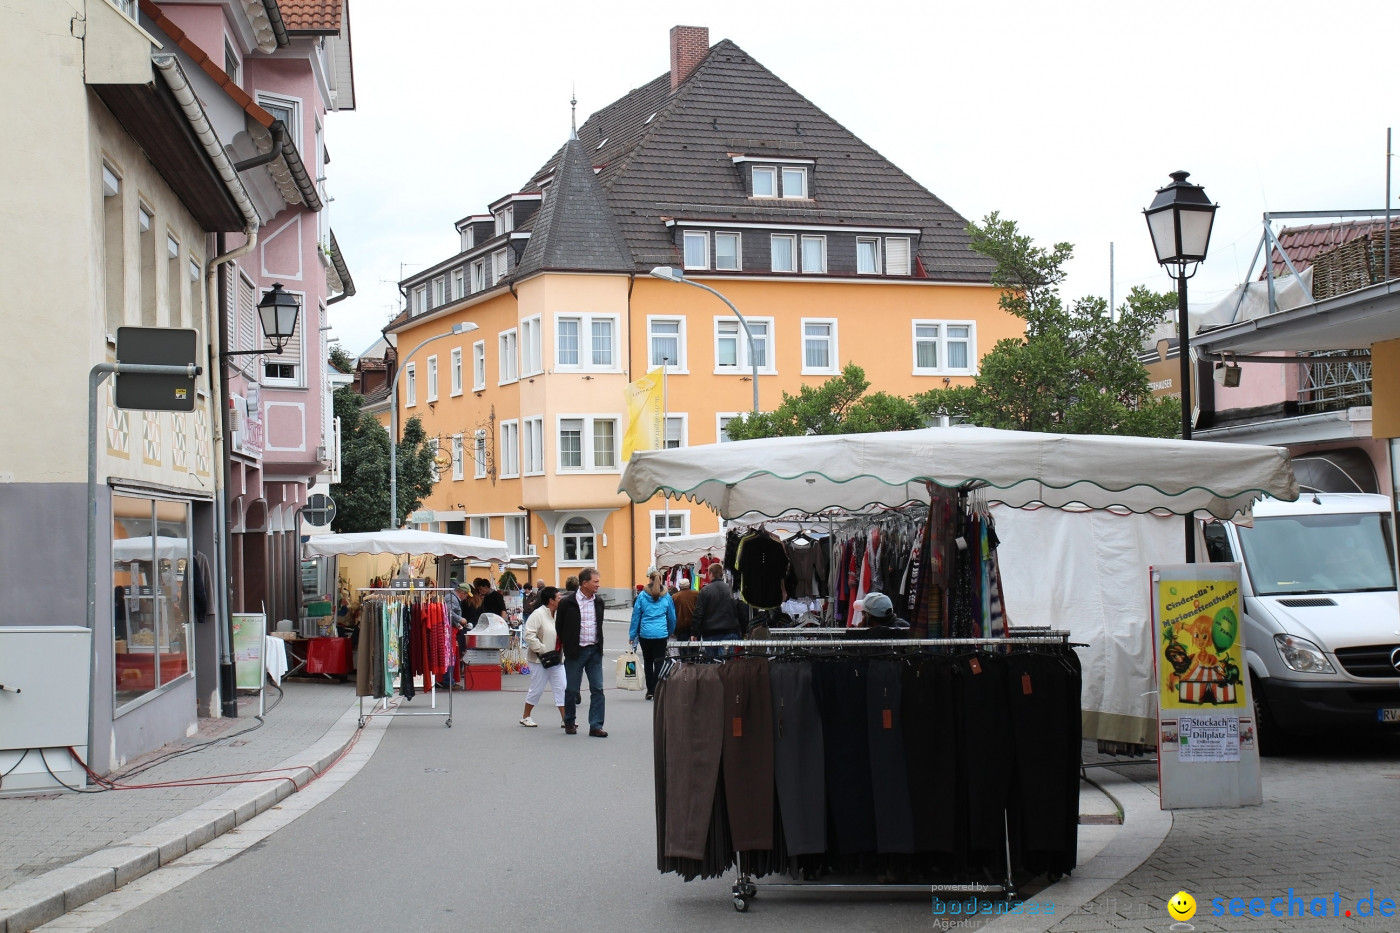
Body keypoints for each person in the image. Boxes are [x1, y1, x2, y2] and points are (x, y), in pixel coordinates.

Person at [555, 567, 607, 736]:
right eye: (595, 581)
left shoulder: (598, 601)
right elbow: (559, 626)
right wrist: (569, 645)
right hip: (576, 652)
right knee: (571, 689)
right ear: (584, 583)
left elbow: (598, 624)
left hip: (594, 651)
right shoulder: (567, 602)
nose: (598, 585)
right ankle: (569, 721)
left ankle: (596, 725)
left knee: (598, 688)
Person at [520, 586, 565, 727]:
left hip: (557, 659)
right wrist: (542, 649)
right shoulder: (538, 614)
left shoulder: (558, 614)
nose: (561, 599)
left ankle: (566, 719)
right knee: (537, 689)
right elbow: (529, 635)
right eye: (558, 597)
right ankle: (526, 716)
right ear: (551, 600)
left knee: (562, 687)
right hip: (540, 660)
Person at [629, 571, 676, 700]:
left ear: (649, 579)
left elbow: (636, 616)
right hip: (661, 634)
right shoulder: (666, 596)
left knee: (648, 662)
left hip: (645, 634)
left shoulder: (642, 596)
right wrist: (670, 630)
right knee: (659, 662)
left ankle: (650, 690)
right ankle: (657, 689)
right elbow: (671, 617)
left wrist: (632, 635)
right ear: (661, 580)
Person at [691, 562, 740, 650]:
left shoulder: (704, 591)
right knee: (727, 662)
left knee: (712, 662)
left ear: (710, 574)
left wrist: (694, 632)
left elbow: (698, 613)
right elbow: (740, 609)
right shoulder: (731, 590)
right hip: (730, 631)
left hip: (710, 633)